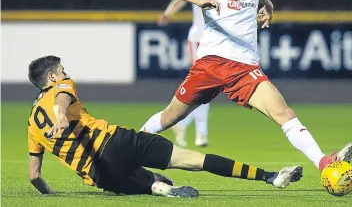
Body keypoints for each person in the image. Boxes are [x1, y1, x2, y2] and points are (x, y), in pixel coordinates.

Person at [140, 0, 352, 173]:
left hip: (244, 69)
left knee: (283, 112)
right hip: (210, 65)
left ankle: (324, 163)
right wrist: (198, 1)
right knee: (170, 117)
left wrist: (268, 5)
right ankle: (130, 147)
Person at [27, 56, 303, 197]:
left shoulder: (31, 124)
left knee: (154, 182)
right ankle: (268, 176)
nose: (66, 73)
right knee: (195, 160)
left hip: (100, 176)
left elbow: (34, 176)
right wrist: (61, 115)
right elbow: (62, 98)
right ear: (52, 76)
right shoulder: (61, 87)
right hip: (116, 143)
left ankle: (158, 188)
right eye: (62, 70)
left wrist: (50, 194)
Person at [157, 0, 227, 148]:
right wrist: (168, 14)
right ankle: (201, 133)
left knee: (211, 86)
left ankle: (183, 122)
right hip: (199, 40)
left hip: (218, 42)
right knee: (205, 83)